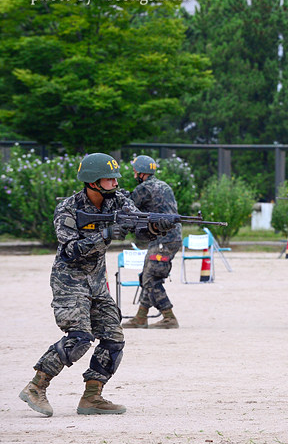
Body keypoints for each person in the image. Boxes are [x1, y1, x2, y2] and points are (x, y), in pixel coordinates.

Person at [19, 153, 175, 417]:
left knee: (114, 338)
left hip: (96, 281)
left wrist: (157, 227)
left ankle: (92, 397)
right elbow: (69, 250)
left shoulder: (119, 202)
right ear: (92, 182)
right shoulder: (68, 209)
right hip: (69, 280)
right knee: (80, 339)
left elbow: (140, 229)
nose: (115, 183)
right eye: (109, 178)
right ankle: (36, 386)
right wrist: (103, 235)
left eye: (116, 179)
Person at [122, 155, 183, 329]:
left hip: (163, 239)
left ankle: (169, 316)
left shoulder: (144, 188)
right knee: (147, 274)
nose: (134, 173)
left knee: (151, 278)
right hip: (169, 237)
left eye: (135, 170)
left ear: (141, 172)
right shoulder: (163, 185)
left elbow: (129, 207)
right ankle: (141, 316)